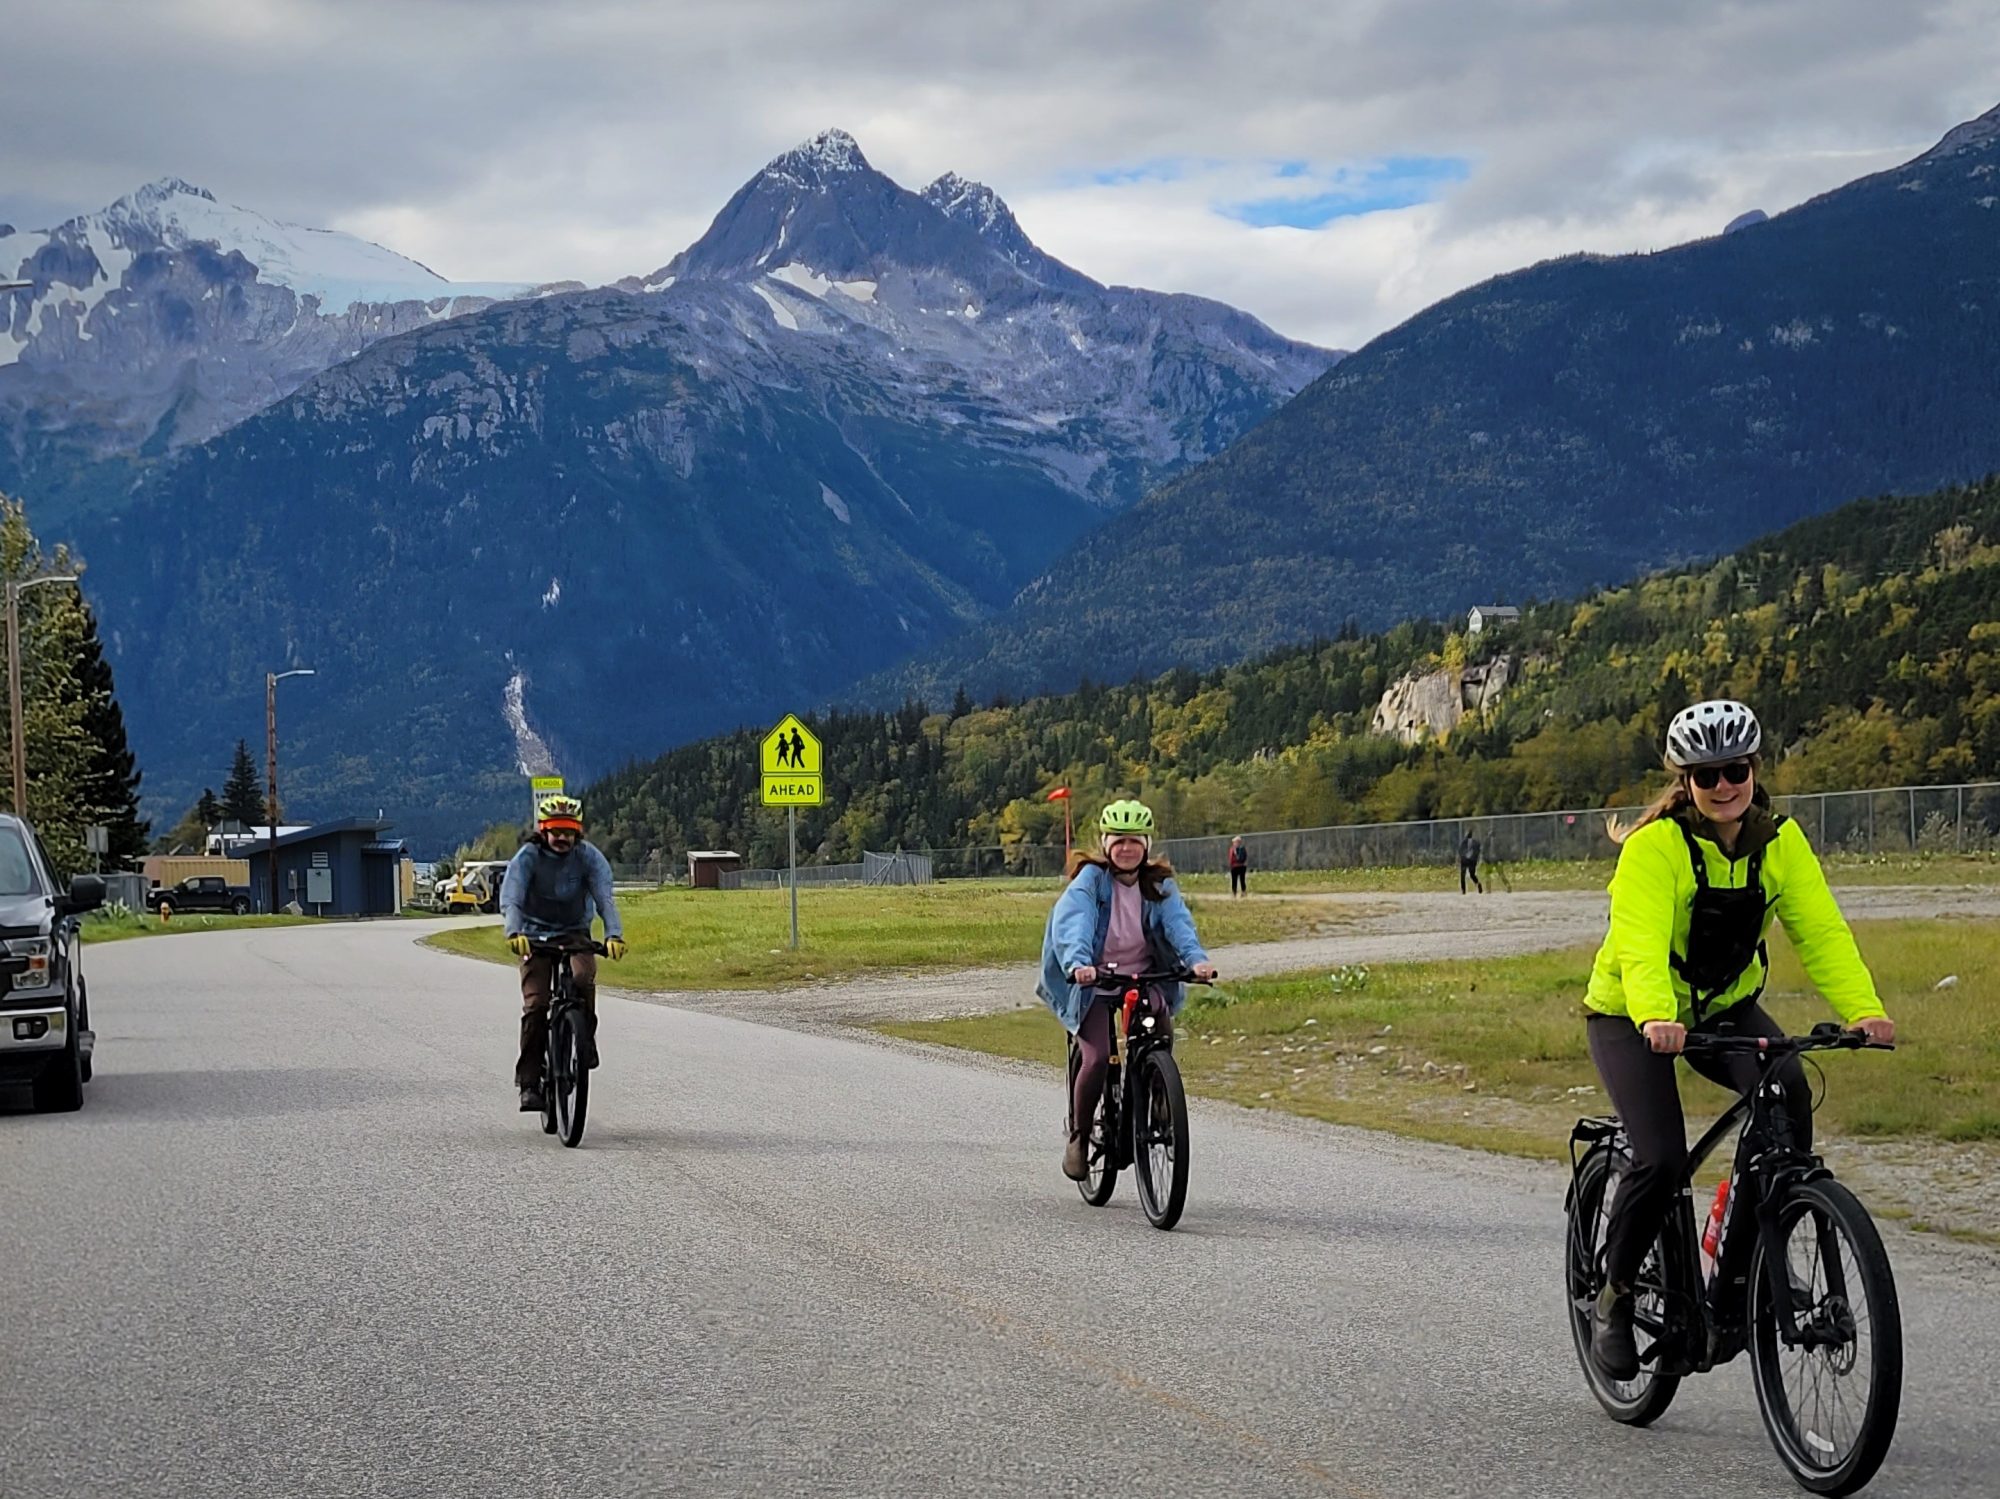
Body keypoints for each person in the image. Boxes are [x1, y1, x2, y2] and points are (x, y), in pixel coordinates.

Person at [1583, 699, 1895, 1382]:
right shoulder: (1653, 848)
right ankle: (1614, 1293)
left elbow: (1821, 931)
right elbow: (1637, 945)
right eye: (1707, 775)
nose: (1724, 785)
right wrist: (1655, 1017)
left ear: (1754, 769)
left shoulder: (1780, 842)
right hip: (1631, 1015)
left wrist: (1864, 1010)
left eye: (1737, 769)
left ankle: (1755, 1264)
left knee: (1787, 1093)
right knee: (1662, 1158)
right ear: (1685, 783)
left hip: (1724, 1009)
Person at [1038, 799, 1217, 1180]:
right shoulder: (1090, 881)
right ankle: (1080, 1138)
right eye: (1118, 841)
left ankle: (1158, 1097)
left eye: (1134, 841)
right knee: (1098, 1056)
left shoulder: (1159, 885)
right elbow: (1074, 924)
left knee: (1159, 1033)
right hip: (1094, 980)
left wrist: (1196, 960)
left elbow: (1179, 925)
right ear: (1106, 845)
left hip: (1143, 975)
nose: (1126, 849)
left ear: (1146, 845)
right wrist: (1078, 964)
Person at [501, 794, 628, 1112]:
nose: (562, 837)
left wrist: (613, 934)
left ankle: (584, 1037)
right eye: (556, 830)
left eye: (568, 831)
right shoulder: (528, 857)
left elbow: (605, 898)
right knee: (536, 1004)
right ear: (543, 830)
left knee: (583, 977)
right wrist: (514, 932)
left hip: (574, 931)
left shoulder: (589, 858)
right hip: (532, 933)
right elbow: (512, 896)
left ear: (578, 832)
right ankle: (530, 1083)